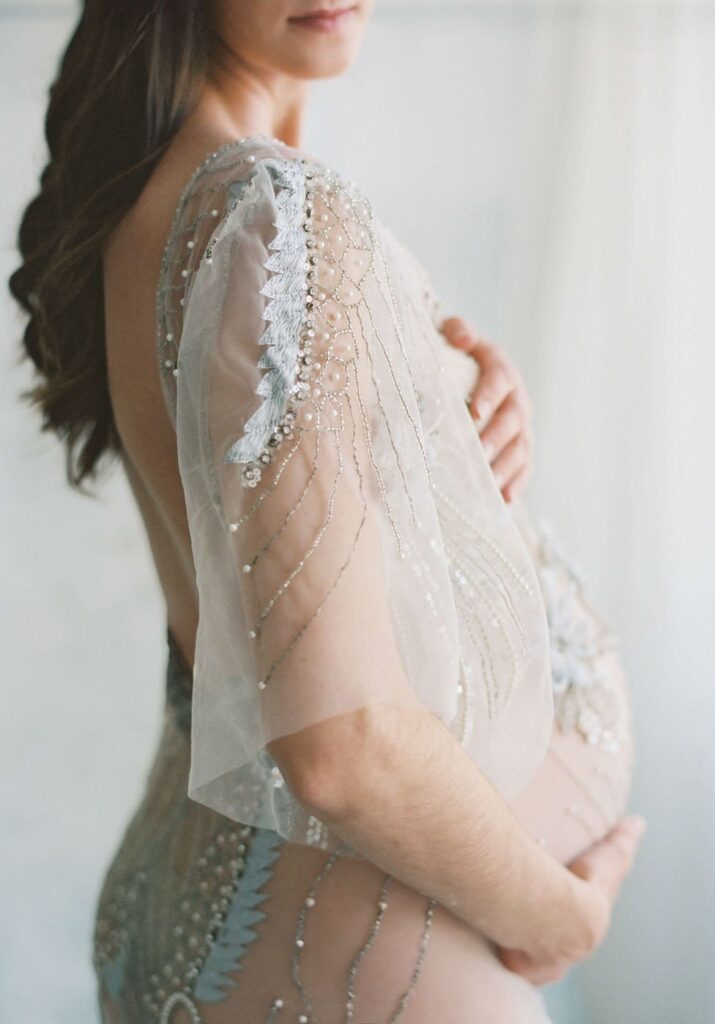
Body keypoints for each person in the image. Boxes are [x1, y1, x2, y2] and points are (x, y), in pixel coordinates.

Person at [9, 2, 646, 1021]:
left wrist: (447, 416)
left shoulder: (169, 203)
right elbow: (339, 747)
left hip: (225, 909)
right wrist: (566, 918)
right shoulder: (272, 213)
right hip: (358, 948)